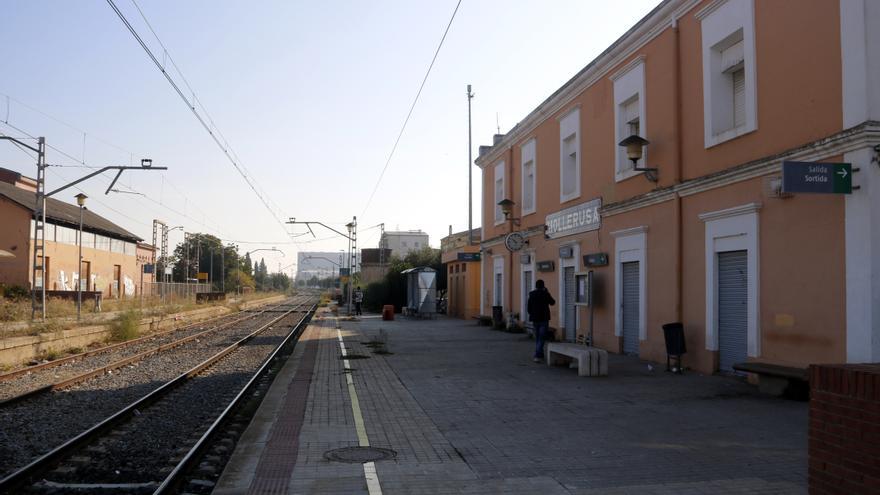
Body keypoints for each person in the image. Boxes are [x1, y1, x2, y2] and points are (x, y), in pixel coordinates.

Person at [527, 279, 556, 362]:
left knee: (538, 337)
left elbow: (528, 308)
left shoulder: (532, 294)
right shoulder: (545, 294)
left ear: (536, 286)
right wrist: (548, 292)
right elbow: (553, 302)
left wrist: (532, 314)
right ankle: (537, 354)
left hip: (535, 319)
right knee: (542, 337)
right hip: (544, 319)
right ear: (543, 286)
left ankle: (540, 355)